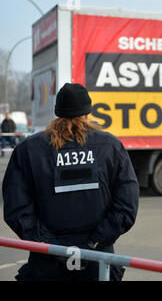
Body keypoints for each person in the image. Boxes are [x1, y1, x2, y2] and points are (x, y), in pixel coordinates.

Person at [2, 83, 139, 281]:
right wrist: (93, 244)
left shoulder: (28, 150)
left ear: (57, 112)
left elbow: (17, 210)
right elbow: (126, 206)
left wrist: (52, 246)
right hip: (98, 264)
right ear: (87, 113)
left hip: (46, 265)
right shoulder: (110, 147)